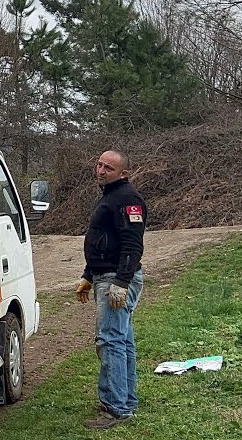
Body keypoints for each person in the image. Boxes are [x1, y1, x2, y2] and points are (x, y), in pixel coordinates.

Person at [74, 150, 147, 429]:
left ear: (123, 174)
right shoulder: (109, 195)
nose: (101, 170)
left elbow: (132, 245)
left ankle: (115, 408)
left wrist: (121, 283)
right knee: (122, 340)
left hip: (117, 279)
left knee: (110, 341)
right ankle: (125, 402)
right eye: (100, 164)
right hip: (105, 275)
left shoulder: (127, 199)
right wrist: (88, 275)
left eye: (109, 168)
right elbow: (102, 241)